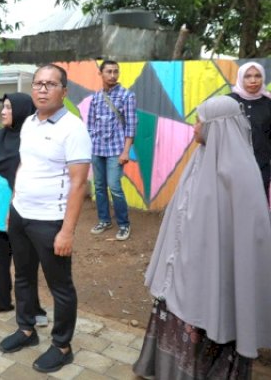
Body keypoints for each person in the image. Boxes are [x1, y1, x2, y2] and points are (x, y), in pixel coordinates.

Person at [133, 96, 271, 379]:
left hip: (214, 277)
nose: (194, 128)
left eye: (199, 122)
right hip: (183, 267)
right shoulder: (200, 160)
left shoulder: (241, 173)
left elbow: (247, 238)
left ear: (217, 128)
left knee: (209, 323)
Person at [0, 64, 91, 374]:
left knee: (60, 286)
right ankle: (26, 330)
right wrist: (14, 206)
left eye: (50, 84)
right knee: (22, 275)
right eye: (38, 83)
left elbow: (79, 184)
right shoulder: (28, 124)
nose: (42, 89)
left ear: (63, 92)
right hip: (22, 214)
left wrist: (67, 231)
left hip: (51, 221)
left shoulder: (73, 128)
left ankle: (62, 346)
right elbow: (25, 167)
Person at [0, 92, 47, 327]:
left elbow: (33, 176)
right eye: (3, 107)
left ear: (21, 111)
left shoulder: (31, 141)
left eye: (8, 107)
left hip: (20, 213)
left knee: (25, 266)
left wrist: (14, 207)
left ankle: (33, 308)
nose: (3, 111)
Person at [87, 60, 137, 241]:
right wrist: (91, 145)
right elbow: (90, 125)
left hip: (116, 150)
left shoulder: (126, 96)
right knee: (99, 186)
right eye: (109, 71)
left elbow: (131, 127)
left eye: (116, 71)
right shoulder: (96, 97)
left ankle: (124, 224)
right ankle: (104, 220)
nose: (113, 75)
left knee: (115, 187)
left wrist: (125, 152)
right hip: (97, 149)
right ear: (101, 74)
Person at [228, 61, 271, 201]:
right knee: (233, 204)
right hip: (232, 165)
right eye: (248, 76)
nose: (253, 80)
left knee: (259, 204)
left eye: (257, 76)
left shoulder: (268, 103)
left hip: (261, 165)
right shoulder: (228, 102)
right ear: (241, 78)